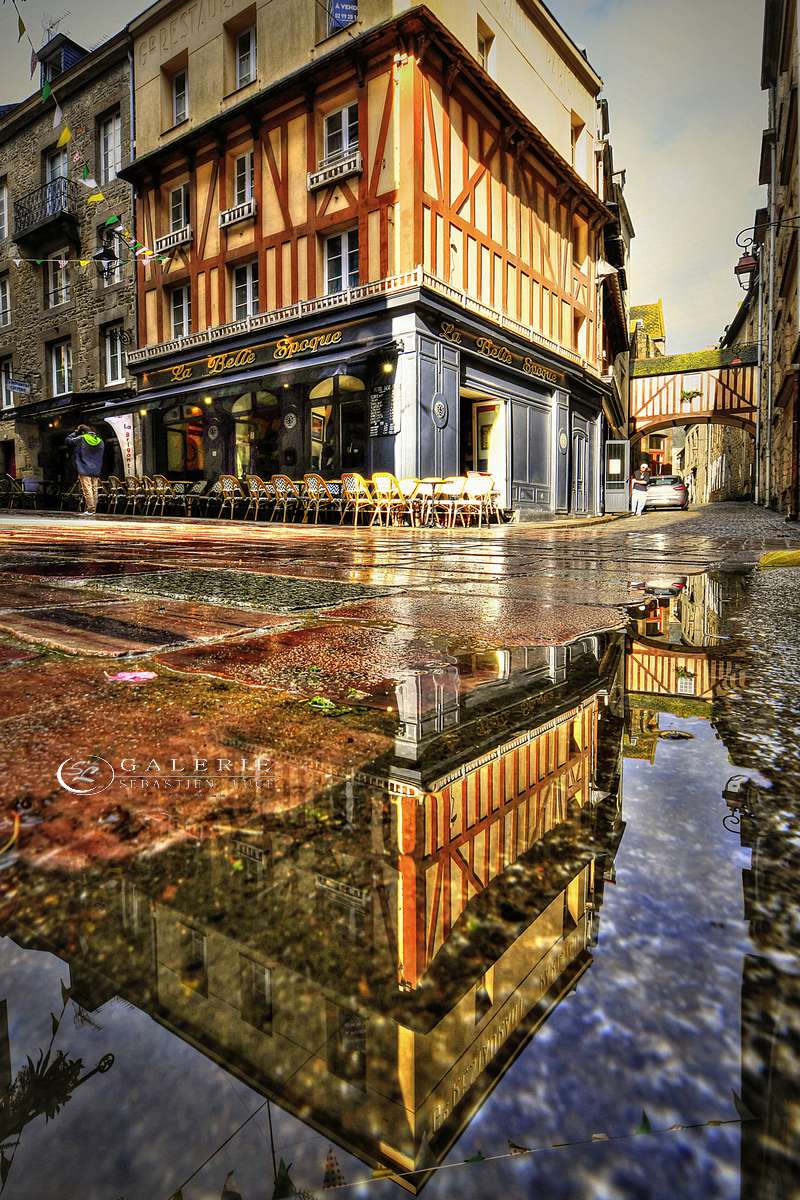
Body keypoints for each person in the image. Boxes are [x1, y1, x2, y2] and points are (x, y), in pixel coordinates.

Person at [66, 424, 104, 517]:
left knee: (87, 489)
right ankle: (93, 509)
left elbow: (68, 441)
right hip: (96, 468)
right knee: (95, 489)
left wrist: (75, 432)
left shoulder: (81, 438)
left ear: (82, 432)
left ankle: (90, 510)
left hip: (84, 468)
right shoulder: (100, 441)